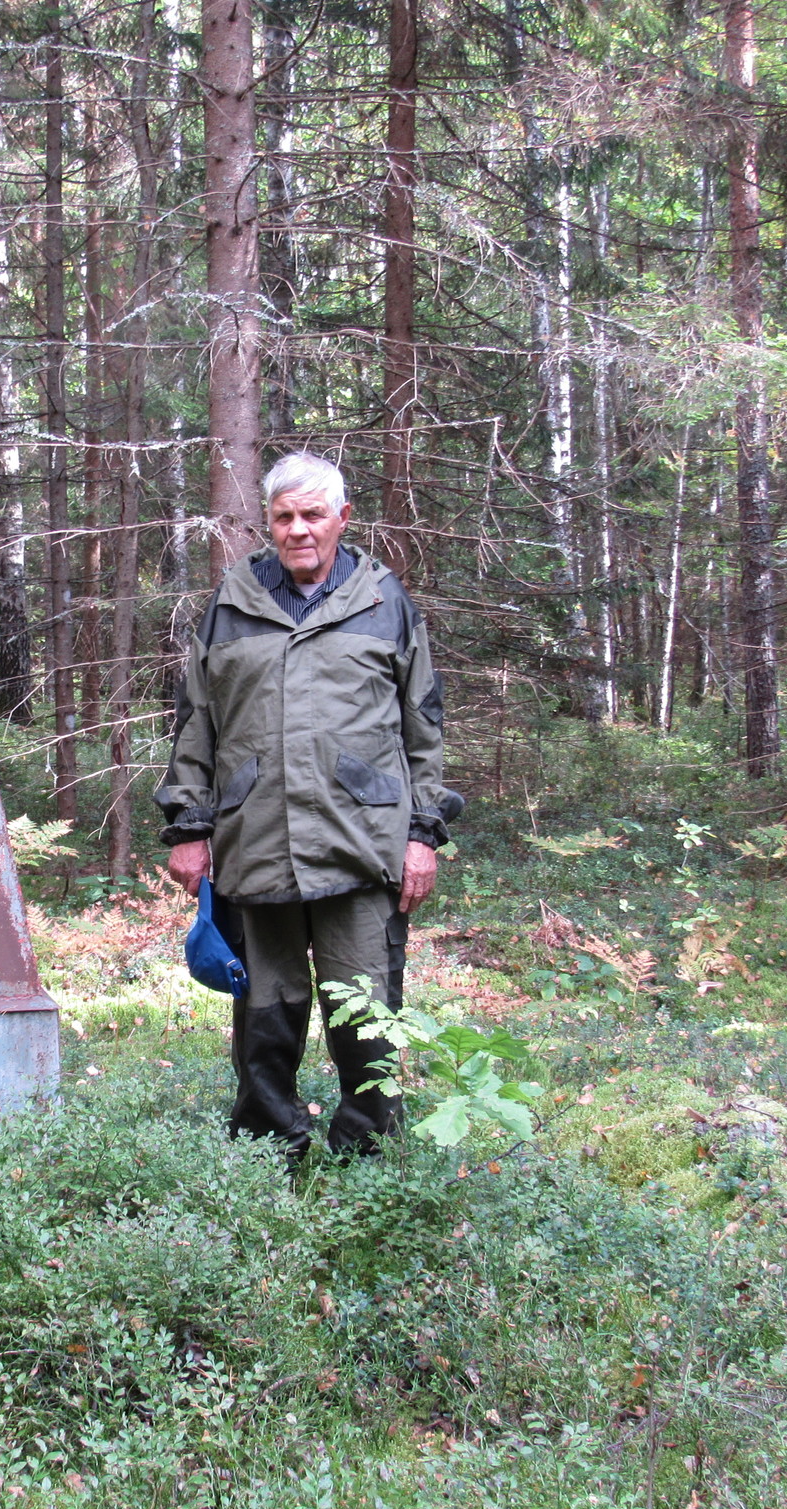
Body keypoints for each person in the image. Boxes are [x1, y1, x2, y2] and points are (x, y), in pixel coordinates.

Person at [155, 451, 458, 1159]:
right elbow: (195, 722)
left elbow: (425, 726)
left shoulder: (385, 603)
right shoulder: (231, 607)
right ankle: (269, 1146)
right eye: (284, 516)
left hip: (364, 844)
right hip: (256, 838)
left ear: (341, 518)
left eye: (312, 514)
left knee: (368, 1010)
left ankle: (370, 1150)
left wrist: (422, 834)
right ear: (269, 523)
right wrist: (188, 827)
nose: (298, 529)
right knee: (266, 1010)